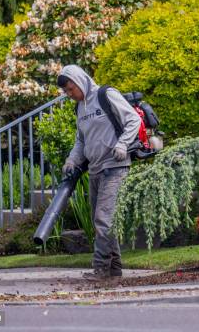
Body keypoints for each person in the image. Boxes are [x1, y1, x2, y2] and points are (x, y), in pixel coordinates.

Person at [57, 65, 141, 281]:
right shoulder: (80, 108)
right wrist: (72, 159)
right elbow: (81, 140)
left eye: (70, 88)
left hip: (115, 166)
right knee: (101, 221)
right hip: (95, 169)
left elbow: (133, 119)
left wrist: (123, 144)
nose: (69, 94)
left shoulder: (105, 95)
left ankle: (101, 270)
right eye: (66, 92)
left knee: (104, 219)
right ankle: (114, 270)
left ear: (79, 80)